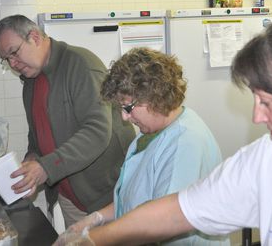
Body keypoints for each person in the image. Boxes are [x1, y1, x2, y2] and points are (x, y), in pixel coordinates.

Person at [56, 15, 272, 245]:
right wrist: (90, 238)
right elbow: (175, 212)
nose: (257, 115)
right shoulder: (268, 157)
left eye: (267, 102)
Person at [53, 47, 230, 245]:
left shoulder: (185, 144)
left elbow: (164, 222)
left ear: (155, 96)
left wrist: (97, 239)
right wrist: (97, 218)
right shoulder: (152, 132)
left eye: (128, 107)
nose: (124, 117)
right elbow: (133, 198)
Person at [0, 15, 135, 227]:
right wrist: (32, 159)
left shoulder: (81, 65)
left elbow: (97, 132)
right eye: (6, 59)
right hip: (71, 197)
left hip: (108, 196)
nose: (13, 64)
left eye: (14, 52)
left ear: (35, 37)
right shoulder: (31, 81)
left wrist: (45, 168)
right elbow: (38, 133)